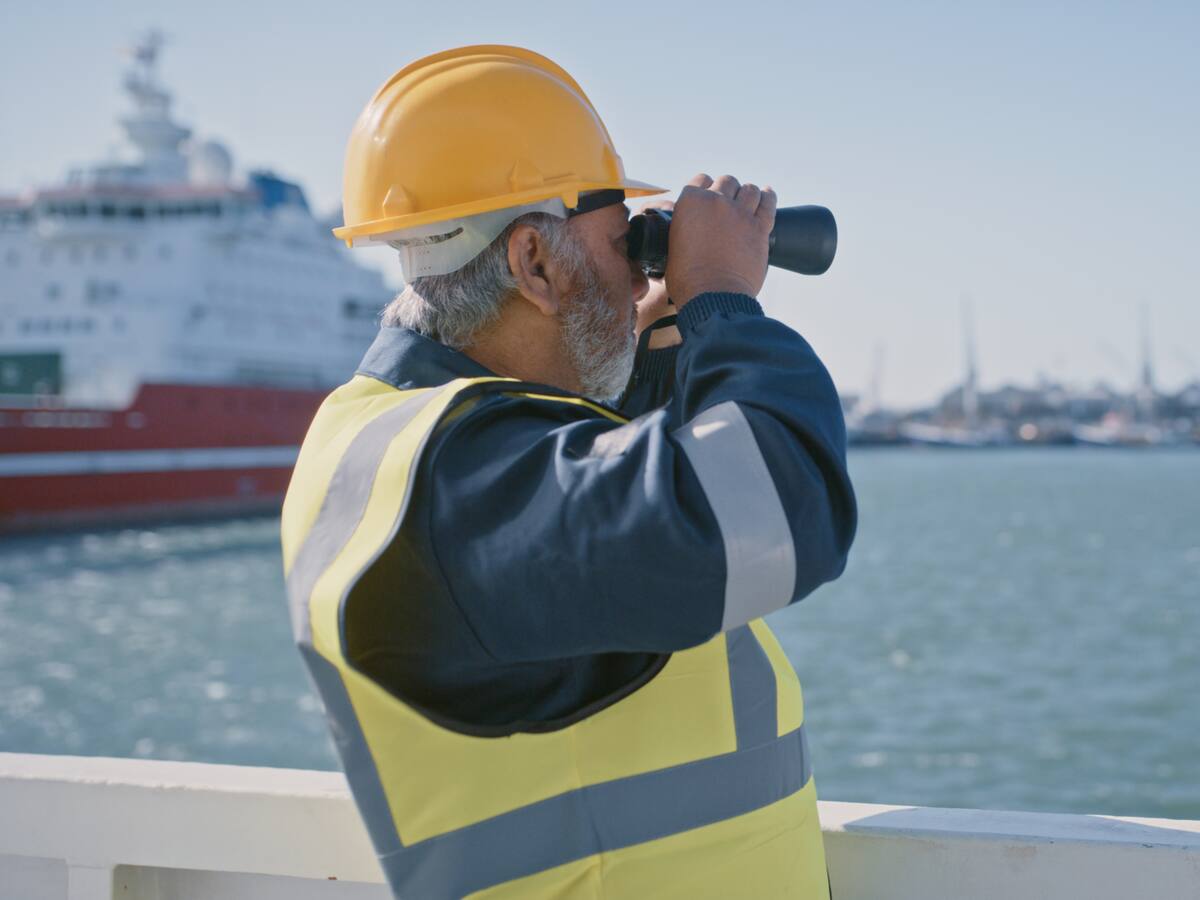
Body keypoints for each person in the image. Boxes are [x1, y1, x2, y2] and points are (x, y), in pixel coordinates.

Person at [282, 45, 856, 899]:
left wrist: (651, 355)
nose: (638, 271)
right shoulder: (459, 487)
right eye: (624, 237)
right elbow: (775, 508)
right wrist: (722, 302)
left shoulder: (409, 444)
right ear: (535, 264)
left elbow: (591, 525)